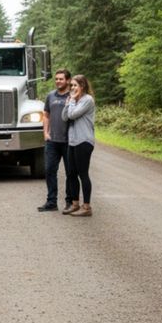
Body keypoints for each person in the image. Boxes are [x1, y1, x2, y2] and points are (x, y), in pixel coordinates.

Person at [61, 75, 96, 217]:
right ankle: (75, 204)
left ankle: (86, 207)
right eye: (72, 86)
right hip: (73, 141)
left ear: (83, 86)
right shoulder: (73, 100)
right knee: (71, 174)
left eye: (76, 85)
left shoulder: (87, 100)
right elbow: (64, 117)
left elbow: (73, 115)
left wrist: (71, 102)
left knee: (83, 174)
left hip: (84, 141)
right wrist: (69, 103)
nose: (73, 88)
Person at [37, 69, 72, 212]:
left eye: (61, 79)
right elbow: (46, 115)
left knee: (71, 173)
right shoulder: (50, 95)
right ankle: (51, 202)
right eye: (56, 79)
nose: (58, 81)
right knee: (49, 170)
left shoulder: (73, 95)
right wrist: (45, 133)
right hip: (52, 141)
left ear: (68, 81)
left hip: (69, 141)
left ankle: (70, 202)